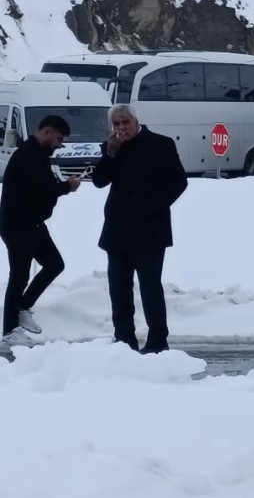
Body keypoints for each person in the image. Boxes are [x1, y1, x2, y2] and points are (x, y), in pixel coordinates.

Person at [91, 104, 188, 352]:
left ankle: (157, 341)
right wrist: (110, 153)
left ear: (136, 121)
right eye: (116, 124)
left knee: (149, 286)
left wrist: (154, 205)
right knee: (119, 288)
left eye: (125, 123)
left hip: (150, 228)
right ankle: (124, 340)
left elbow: (178, 182)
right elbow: (99, 181)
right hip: (118, 228)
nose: (121, 129)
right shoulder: (111, 147)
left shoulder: (160, 144)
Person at [0, 115, 82, 347]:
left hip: (33, 223)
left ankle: (23, 307)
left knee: (55, 264)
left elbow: (42, 189)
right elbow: (41, 190)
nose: (59, 145)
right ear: (46, 133)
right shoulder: (28, 156)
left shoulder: (39, 155)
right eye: (58, 139)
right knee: (19, 276)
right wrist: (68, 186)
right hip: (18, 225)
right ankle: (9, 329)